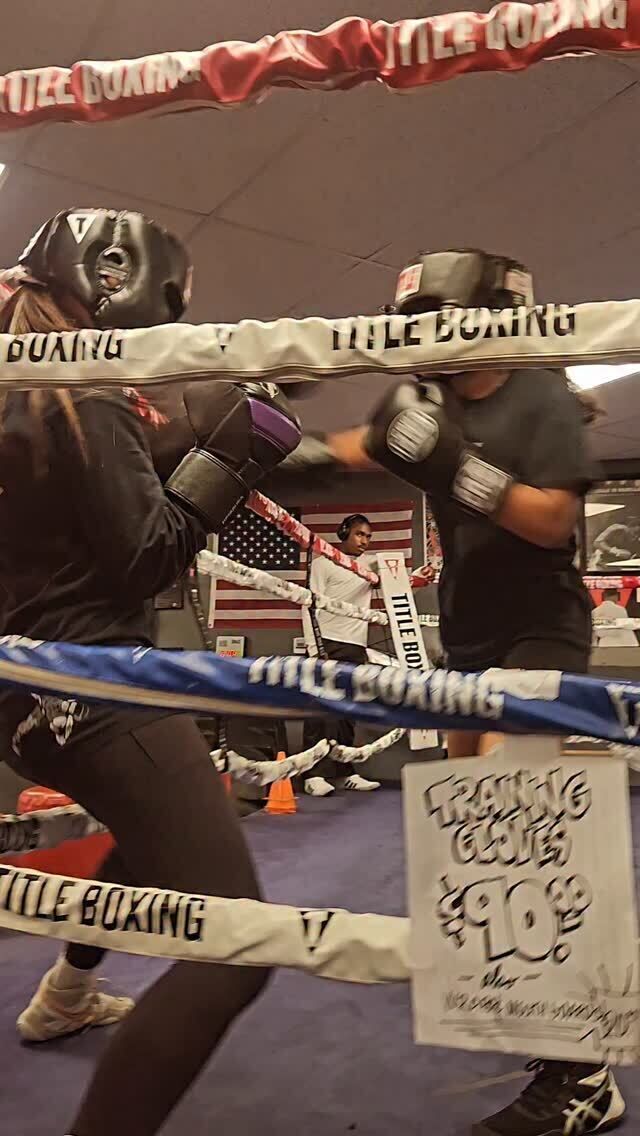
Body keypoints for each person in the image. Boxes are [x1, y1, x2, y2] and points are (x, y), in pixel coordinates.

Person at [297, 249, 624, 1136]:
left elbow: (552, 520)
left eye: (432, 322)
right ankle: (541, 1012)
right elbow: (356, 447)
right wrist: (265, 448)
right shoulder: (430, 397)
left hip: (538, 631)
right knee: (469, 839)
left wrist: (456, 469)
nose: (423, 340)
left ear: (481, 318)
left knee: (512, 829)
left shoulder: (540, 395)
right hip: (469, 639)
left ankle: (586, 1076)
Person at [0, 208, 301, 1136]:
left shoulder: (22, 383)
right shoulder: (85, 391)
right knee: (238, 949)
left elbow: (84, 513)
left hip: (24, 692)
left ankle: (65, 994)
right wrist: (234, 457)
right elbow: (142, 557)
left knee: (149, 826)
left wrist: (191, 444)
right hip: (93, 686)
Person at [300, 513, 381, 796]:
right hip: (327, 642)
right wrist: (314, 648)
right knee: (321, 708)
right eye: (359, 534)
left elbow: (397, 580)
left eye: (368, 536)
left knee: (348, 710)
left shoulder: (369, 566)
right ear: (344, 532)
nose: (364, 541)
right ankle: (313, 774)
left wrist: (420, 576)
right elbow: (308, 604)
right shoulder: (323, 563)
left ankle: (345, 771)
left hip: (355, 645)